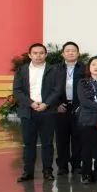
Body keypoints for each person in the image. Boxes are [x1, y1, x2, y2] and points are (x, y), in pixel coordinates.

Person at [14, 43, 64, 182]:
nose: (38, 56)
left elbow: (57, 90)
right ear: (30, 55)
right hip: (28, 111)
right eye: (35, 53)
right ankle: (28, 172)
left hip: (47, 111)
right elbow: (17, 90)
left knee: (47, 143)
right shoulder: (22, 70)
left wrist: (46, 104)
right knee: (28, 143)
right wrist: (31, 103)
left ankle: (48, 171)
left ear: (46, 54)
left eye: (41, 53)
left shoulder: (54, 70)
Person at [77, 57, 97, 184]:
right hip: (86, 118)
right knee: (86, 147)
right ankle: (86, 173)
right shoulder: (82, 82)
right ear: (89, 68)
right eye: (93, 65)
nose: (96, 67)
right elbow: (84, 102)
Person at [54, 42, 84, 176]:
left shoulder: (84, 68)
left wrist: (82, 105)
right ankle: (62, 166)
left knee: (78, 137)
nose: (70, 53)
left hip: (79, 107)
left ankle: (77, 165)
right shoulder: (55, 69)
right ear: (63, 54)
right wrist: (56, 104)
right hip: (61, 107)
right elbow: (50, 88)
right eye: (67, 51)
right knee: (61, 138)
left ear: (78, 53)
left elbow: (88, 88)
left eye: (73, 50)